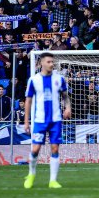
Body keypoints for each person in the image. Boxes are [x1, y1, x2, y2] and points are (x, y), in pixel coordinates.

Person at [23, 52, 72, 189]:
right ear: (42, 63)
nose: (52, 64)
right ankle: (31, 174)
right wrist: (26, 121)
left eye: (52, 62)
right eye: (49, 62)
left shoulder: (59, 79)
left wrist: (67, 107)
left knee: (55, 148)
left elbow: (65, 96)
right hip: (39, 120)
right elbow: (28, 101)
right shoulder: (34, 80)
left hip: (56, 120)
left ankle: (53, 180)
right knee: (36, 149)